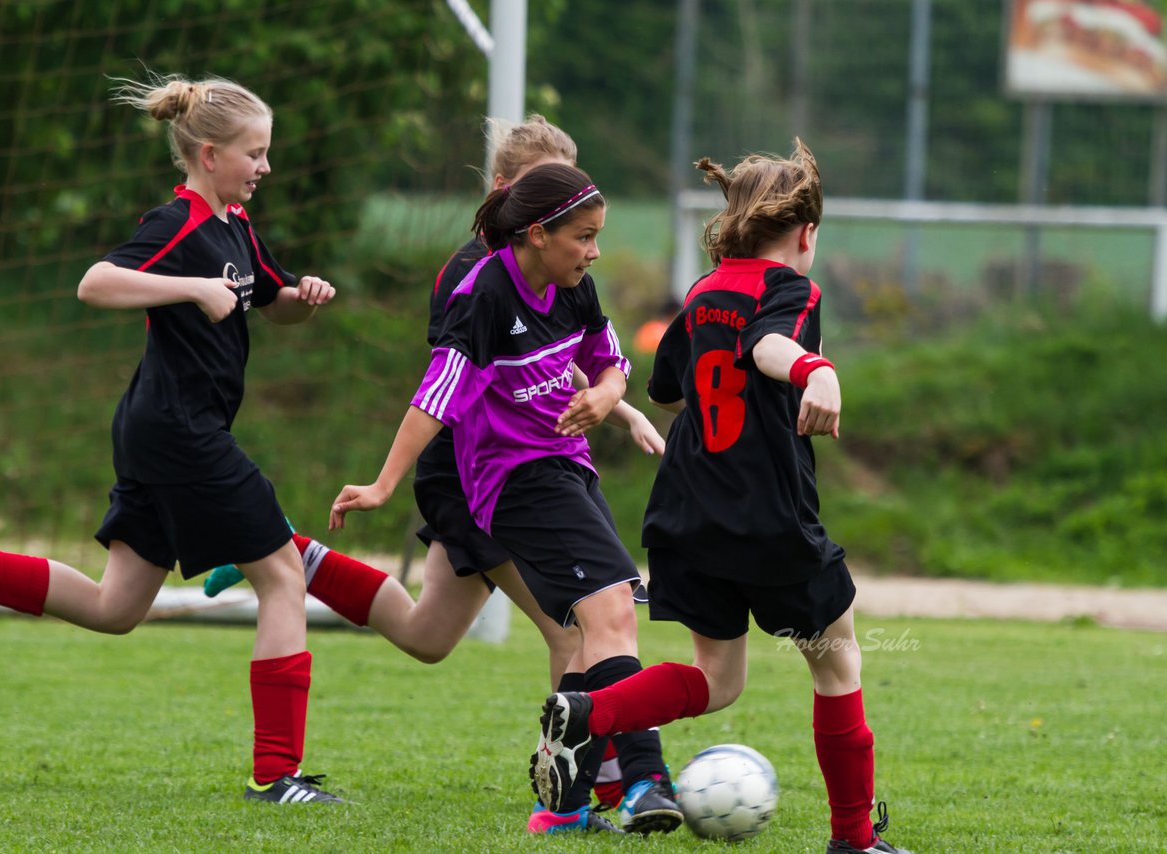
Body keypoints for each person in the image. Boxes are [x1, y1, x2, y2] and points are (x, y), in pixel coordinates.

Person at [0, 74, 342, 806]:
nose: (265, 167)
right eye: (254, 153)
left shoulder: (236, 227)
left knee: (115, 608)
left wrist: (303, 298)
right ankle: (277, 775)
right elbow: (95, 283)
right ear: (206, 152)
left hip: (159, 431)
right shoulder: (179, 223)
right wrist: (190, 289)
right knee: (283, 576)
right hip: (179, 433)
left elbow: (269, 302)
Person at [201, 116, 665, 832]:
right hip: (479, 474)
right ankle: (587, 792)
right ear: (517, 201)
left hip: (516, 465)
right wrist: (389, 482)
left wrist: (614, 400)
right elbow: (450, 386)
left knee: (427, 636)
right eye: (549, 190)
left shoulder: (562, 269)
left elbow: (558, 350)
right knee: (575, 629)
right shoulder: (470, 280)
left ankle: (292, 554)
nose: (571, 212)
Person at [529, 140, 913, 854]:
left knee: (718, 679)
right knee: (836, 661)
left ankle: (589, 711)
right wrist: (814, 368)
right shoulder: (792, 290)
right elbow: (770, 345)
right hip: (766, 518)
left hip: (686, 515)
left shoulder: (704, 293)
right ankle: (854, 841)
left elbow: (668, 389)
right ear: (805, 233)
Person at [329, 162, 682, 836]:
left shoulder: (575, 286)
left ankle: (565, 803)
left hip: (567, 470)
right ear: (539, 232)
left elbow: (610, 359)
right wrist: (381, 483)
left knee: (588, 630)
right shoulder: (484, 296)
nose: (595, 250)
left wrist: (609, 396)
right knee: (611, 617)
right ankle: (642, 782)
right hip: (514, 482)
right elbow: (435, 397)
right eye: (584, 236)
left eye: (598, 236)